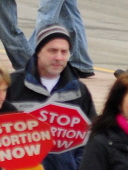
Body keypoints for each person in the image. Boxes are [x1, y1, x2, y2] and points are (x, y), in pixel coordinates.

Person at [7, 25, 97, 170]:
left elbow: (92, 139)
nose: (59, 57)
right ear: (38, 52)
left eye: (64, 51)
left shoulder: (79, 91)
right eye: (52, 51)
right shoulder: (12, 85)